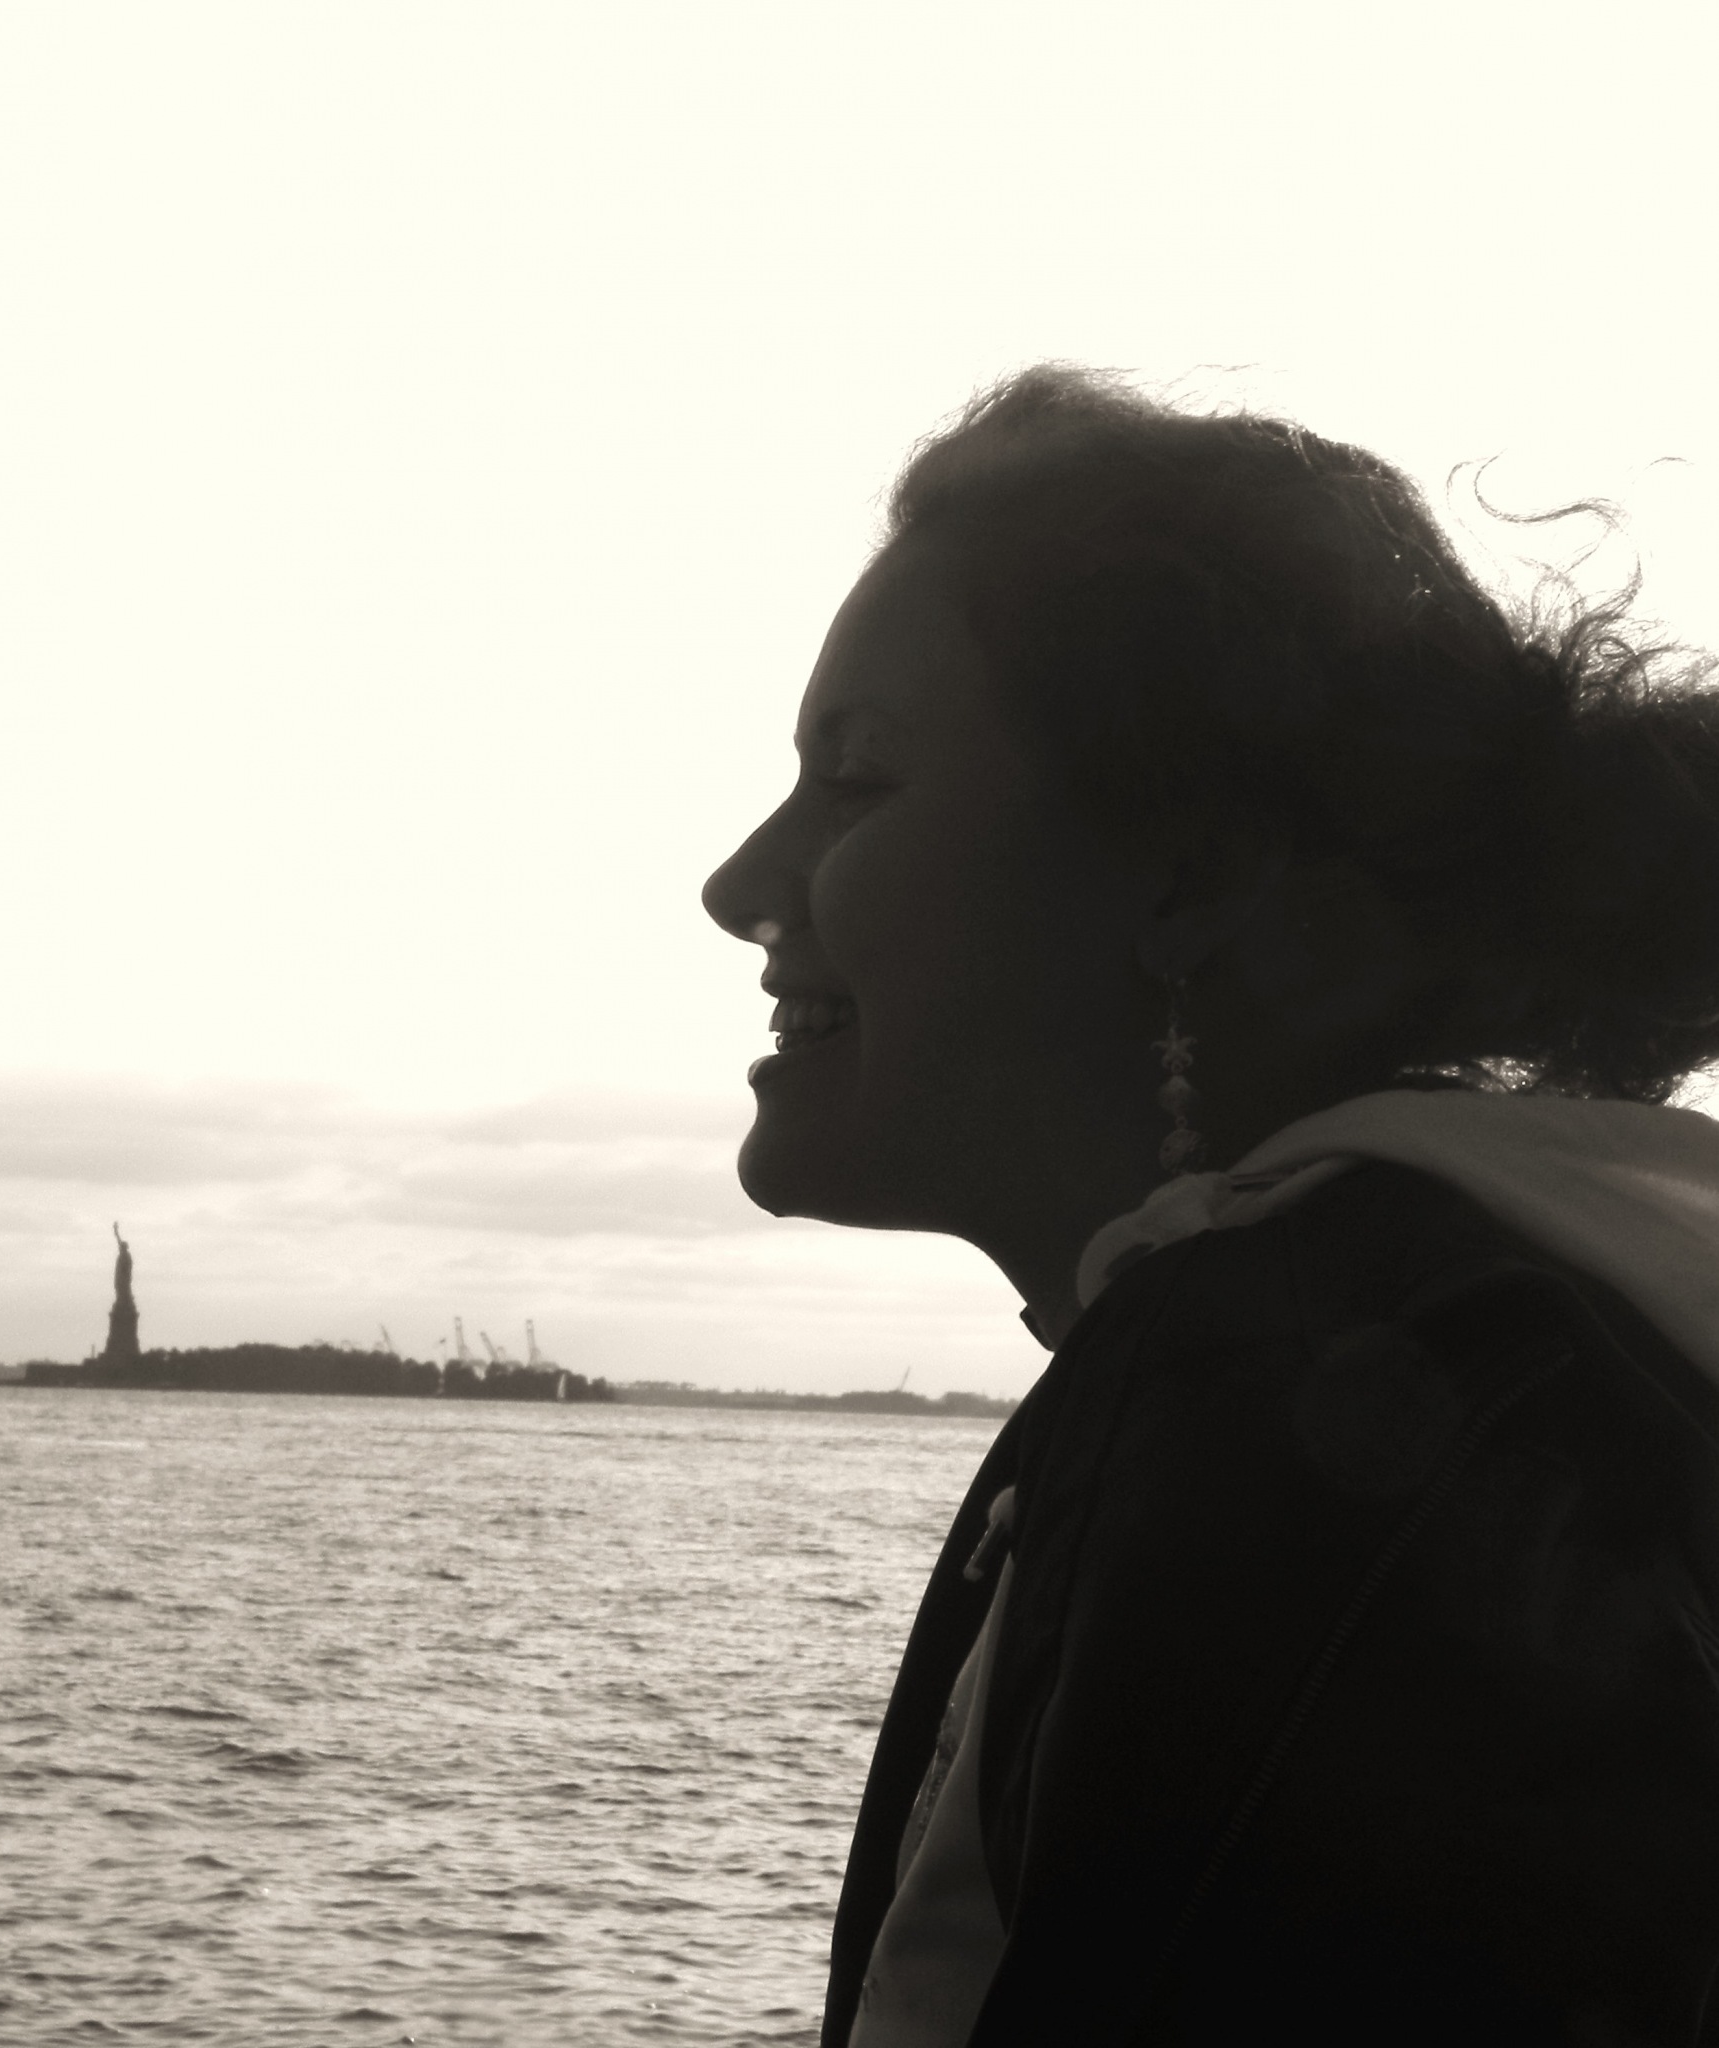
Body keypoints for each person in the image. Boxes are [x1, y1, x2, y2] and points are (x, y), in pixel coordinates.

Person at [702, 367, 1719, 2045]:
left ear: (1191, 876)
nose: (740, 881)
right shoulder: (1539, 1327)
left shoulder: (1298, 1416)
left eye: (858, 777)